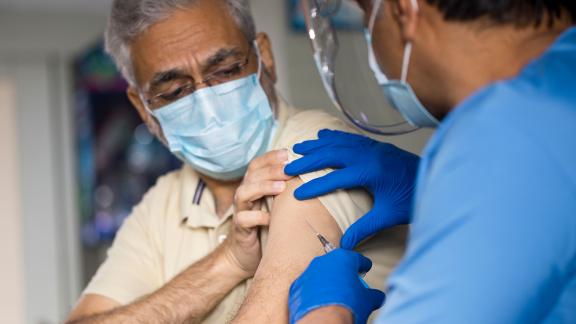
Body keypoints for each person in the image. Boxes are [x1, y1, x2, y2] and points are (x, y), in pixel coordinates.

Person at [66, 0, 407, 323]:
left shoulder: (318, 146)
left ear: (265, 57)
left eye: (226, 70)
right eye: (174, 92)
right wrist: (226, 263)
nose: (207, 101)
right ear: (142, 108)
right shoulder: (160, 206)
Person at [286, 0, 576, 323]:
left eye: (367, 16)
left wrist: (326, 312)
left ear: (404, 11)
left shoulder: (509, 129)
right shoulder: (559, 81)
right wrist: (442, 183)